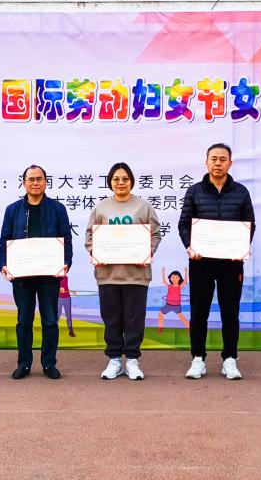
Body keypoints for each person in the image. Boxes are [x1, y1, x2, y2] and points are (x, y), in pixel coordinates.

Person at [178, 143, 255, 380]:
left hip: (231, 263)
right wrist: (190, 246)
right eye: (214, 159)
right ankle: (197, 358)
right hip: (201, 262)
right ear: (206, 162)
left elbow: (249, 225)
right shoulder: (194, 191)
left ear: (230, 163)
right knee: (198, 313)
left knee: (230, 313)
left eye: (223, 159)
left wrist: (241, 247)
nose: (218, 163)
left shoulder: (241, 192)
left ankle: (229, 359)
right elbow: (184, 224)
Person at [85, 162, 162, 380]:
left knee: (134, 319)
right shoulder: (101, 208)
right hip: (108, 275)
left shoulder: (144, 207)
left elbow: (155, 234)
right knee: (111, 319)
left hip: (137, 275)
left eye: (125, 179)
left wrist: (148, 251)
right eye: (116, 179)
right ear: (110, 182)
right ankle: (115, 360)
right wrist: (95, 252)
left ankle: (133, 360)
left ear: (131, 181)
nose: (121, 183)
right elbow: (90, 236)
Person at [0, 164, 73, 380]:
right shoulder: (12, 210)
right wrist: (4, 264)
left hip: (49, 275)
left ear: (46, 182)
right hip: (22, 275)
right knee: (24, 321)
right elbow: (5, 240)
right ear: (24, 183)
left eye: (39, 179)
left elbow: (66, 238)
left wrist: (66, 262)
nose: (35, 183)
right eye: (31, 179)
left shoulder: (57, 209)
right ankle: (24, 364)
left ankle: (49, 364)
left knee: (50, 321)